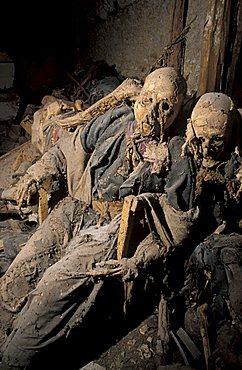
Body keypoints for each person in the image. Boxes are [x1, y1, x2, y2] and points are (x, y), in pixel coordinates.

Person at [1, 87, 242, 369]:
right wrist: (36, 172)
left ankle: (14, 359)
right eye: (146, 100)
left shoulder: (176, 158)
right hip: (78, 206)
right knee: (17, 279)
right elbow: (68, 147)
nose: (150, 113)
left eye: (164, 107)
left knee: (53, 289)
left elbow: (171, 229)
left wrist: (135, 261)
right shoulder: (118, 120)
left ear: (177, 116)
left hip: (109, 230)